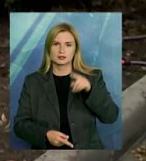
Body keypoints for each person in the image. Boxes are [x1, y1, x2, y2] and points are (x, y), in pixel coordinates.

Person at [13, 22, 119, 150]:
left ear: (75, 49)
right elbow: (20, 125)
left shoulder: (93, 77)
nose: (62, 50)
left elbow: (111, 116)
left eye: (68, 45)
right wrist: (46, 135)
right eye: (56, 44)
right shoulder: (32, 82)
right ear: (48, 48)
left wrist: (89, 91)